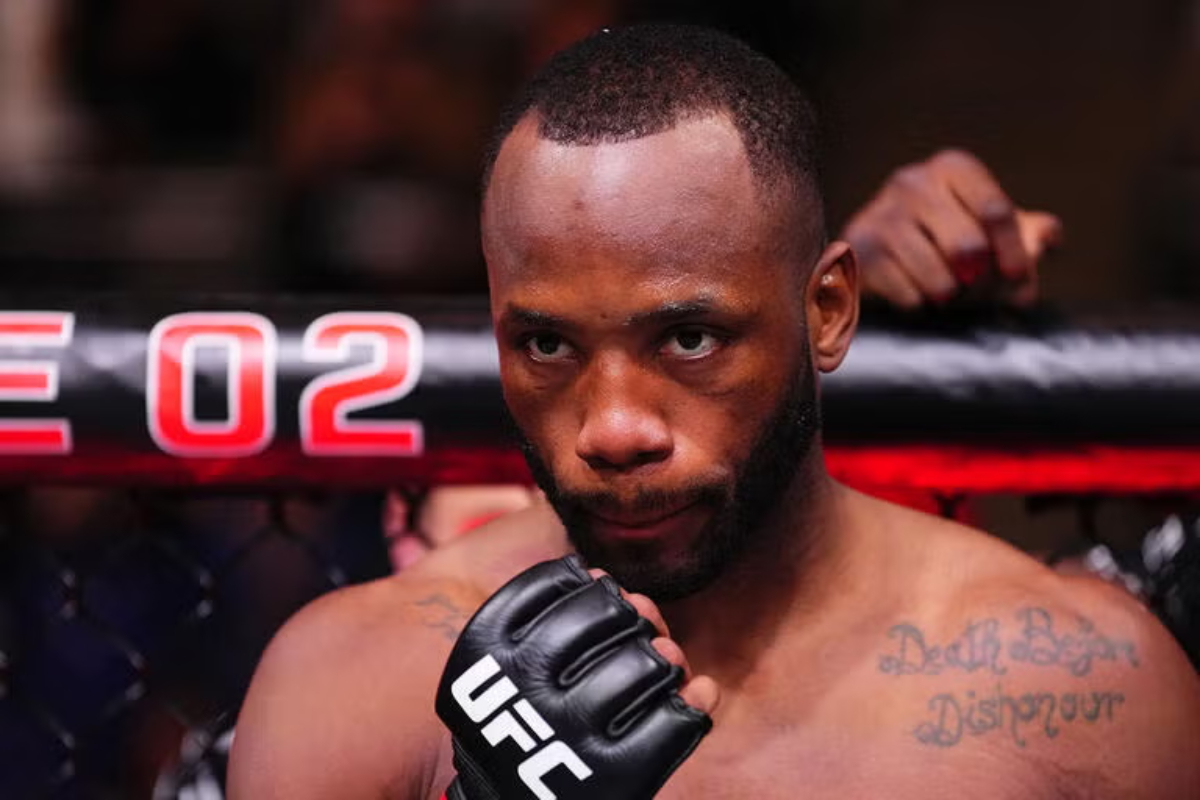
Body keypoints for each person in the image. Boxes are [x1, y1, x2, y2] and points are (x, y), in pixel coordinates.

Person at [228, 24, 1200, 800]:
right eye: (548, 345)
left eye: (690, 339)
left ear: (828, 310)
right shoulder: (354, 682)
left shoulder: (1078, 685)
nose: (613, 430)